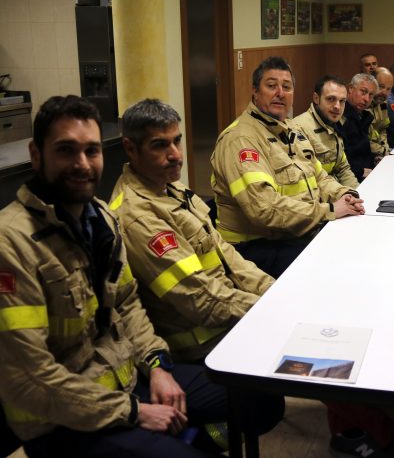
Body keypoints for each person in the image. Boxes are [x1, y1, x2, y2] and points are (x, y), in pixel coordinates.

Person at [0, 95, 269, 457]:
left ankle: (187, 439)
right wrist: (135, 412)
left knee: (259, 400)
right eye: (66, 150)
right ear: (36, 154)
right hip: (64, 419)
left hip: (129, 379)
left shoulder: (99, 219)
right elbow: (30, 379)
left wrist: (158, 366)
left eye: (91, 151)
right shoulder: (11, 244)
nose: (82, 163)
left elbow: (127, 307)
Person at [110, 99, 275, 362]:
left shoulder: (169, 187)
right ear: (131, 148)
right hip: (202, 345)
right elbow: (199, 298)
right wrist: (271, 309)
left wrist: (274, 291)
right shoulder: (136, 215)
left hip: (230, 315)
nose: (175, 154)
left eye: (177, 141)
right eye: (160, 145)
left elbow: (227, 256)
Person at [210, 57, 364, 278]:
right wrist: (329, 211)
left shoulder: (291, 129)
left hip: (295, 232)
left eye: (287, 87)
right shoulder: (241, 140)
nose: (280, 93)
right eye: (271, 86)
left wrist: (345, 195)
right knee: (339, 268)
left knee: (356, 243)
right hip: (255, 249)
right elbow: (265, 210)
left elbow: (319, 177)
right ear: (255, 91)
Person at [295, 75, 359, 189]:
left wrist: (358, 194)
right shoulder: (299, 128)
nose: (337, 106)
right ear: (316, 98)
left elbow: (343, 169)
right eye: (331, 99)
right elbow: (311, 180)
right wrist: (343, 195)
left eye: (342, 101)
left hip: (337, 192)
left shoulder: (334, 123)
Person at [341, 72, 378, 182]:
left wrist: (375, 160)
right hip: (351, 177)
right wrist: (360, 171)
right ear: (350, 89)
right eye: (363, 92)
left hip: (368, 171)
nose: (366, 99)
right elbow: (342, 158)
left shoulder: (364, 116)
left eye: (371, 95)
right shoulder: (340, 116)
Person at [369, 67, 393, 160]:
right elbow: (363, 140)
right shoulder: (362, 106)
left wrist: (385, 149)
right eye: (381, 86)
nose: (384, 93)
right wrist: (383, 151)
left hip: (379, 153)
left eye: (388, 89)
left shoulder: (383, 104)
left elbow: (383, 129)